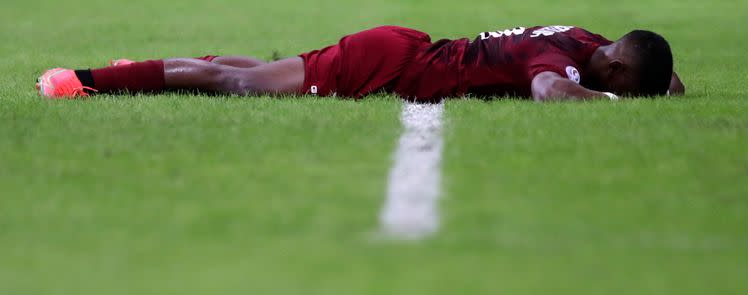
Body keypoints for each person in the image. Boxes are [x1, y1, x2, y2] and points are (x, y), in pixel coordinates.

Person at [36, 24, 684, 102]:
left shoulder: (583, 37)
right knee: (241, 83)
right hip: (394, 67)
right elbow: (548, 91)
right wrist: (609, 102)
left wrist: (667, 85)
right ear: (615, 76)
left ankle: (136, 68)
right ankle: (87, 80)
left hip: (402, 46)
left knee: (266, 70)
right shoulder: (564, 67)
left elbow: (664, 73)